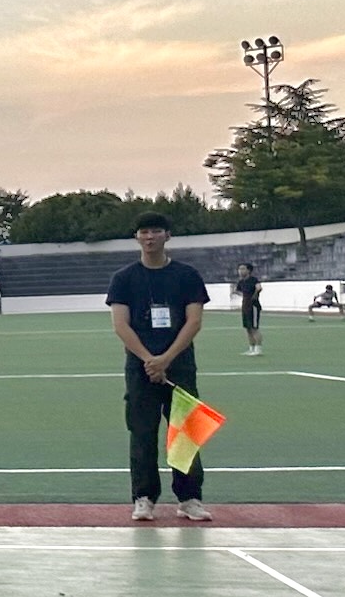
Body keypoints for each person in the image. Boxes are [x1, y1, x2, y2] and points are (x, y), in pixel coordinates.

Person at [108, 212, 211, 523]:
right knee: (142, 433)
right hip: (140, 369)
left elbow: (194, 321)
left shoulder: (187, 275)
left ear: (168, 235)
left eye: (155, 231)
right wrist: (149, 360)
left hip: (180, 366)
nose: (149, 237)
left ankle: (189, 498)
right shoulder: (124, 278)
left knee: (185, 433)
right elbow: (121, 325)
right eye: (144, 232)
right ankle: (144, 498)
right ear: (136, 237)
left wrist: (166, 358)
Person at [232, 263, 264, 356]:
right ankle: (251, 348)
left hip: (253, 306)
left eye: (243, 269)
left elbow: (259, 287)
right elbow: (237, 291)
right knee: (248, 328)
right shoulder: (241, 282)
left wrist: (254, 294)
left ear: (248, 270)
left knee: (254, 328)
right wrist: (243, 295)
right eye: (239, 269)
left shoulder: (253, 280)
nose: (240, 271)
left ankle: (258, 349)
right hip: (245, 306)